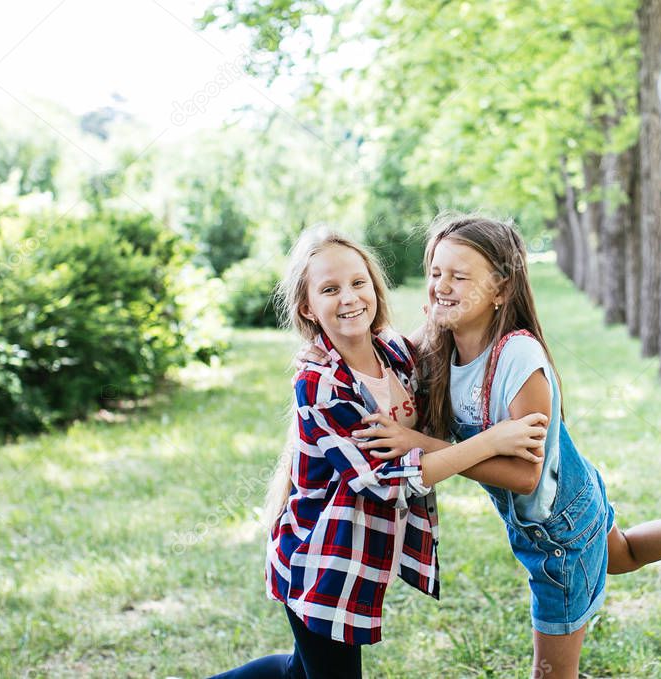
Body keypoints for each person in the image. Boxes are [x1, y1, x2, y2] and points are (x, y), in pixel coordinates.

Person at [302, 213, 661, 678]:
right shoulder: (437, 344)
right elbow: (379, 360)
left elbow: (526, 476)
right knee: (621, 554)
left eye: (459, 276)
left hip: (554, 525)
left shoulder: (518, 361)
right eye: (436, 271)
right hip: (575, 490)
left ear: (502, 291)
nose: (441, 286)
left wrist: (418, 442)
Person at [209, 227, 548, 679]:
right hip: (320, 561)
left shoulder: (394, 351)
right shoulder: (320, 385)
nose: (348, 298)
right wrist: (490, 442)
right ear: (308, 306)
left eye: (357, 283)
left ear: (374, 287)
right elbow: (385, 481)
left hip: (361, 555)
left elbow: (436, 383)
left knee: (297, 672)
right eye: (329, 289)